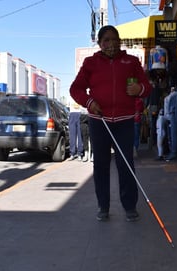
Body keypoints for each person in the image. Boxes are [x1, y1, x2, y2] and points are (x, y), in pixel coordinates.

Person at [69, 25, 152, 222]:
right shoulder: (91, 63)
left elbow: (147, 87)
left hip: (125, 122)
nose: (111, 44)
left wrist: (139, 89)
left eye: (114, 39)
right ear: (99, 43)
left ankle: (130, 206)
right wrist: (89, 102)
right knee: (101, 166)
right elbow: (76, 89)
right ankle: (103, 207)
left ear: (120, 41)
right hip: (100, 122)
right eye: (106, 40)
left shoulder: (131, 61)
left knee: (126, 165)